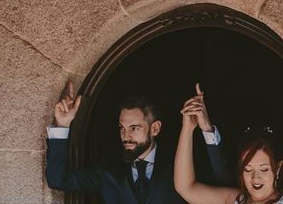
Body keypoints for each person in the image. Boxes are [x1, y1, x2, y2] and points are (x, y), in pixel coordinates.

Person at [45, 82, 228, 203]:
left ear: (155, 129)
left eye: (134, 128)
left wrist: (206, 128)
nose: (126, 136)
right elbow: (57, 179)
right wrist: (63, 125)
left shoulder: (180, 165)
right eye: (122, 128)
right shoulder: (108, 170)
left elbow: (223, 179)